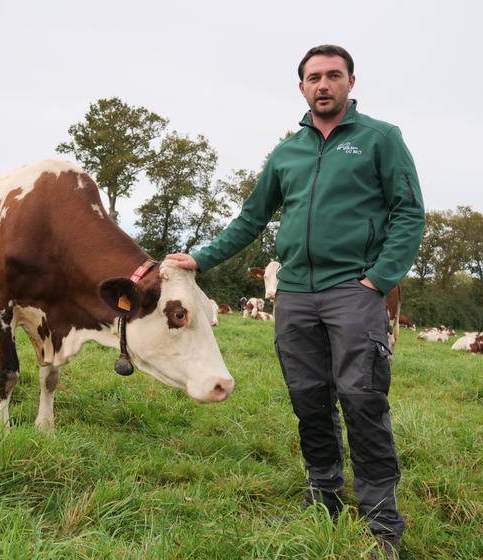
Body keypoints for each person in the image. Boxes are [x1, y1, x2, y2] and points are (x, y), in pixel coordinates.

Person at [167, 44, 424, 558]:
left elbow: (408, 213)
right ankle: (323, 497)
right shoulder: (287, 152)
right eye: (313, 77)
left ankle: (381, 524)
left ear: (352, 82)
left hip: (353, 290)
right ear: (301, 87)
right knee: (309, 400)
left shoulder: (381, 139)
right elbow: (250, 218)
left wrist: (377, 280)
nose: (323, 84)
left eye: (333, 75)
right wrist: (200, 258)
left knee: (362, 398)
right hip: (296, 297)